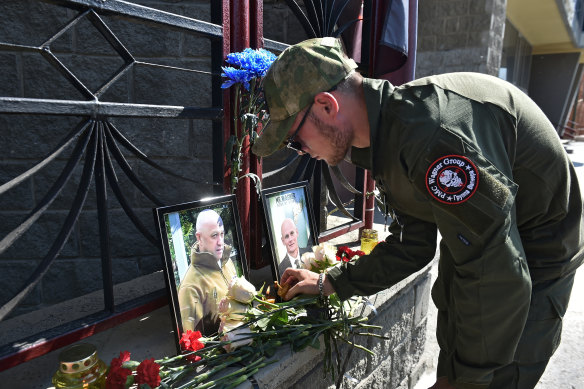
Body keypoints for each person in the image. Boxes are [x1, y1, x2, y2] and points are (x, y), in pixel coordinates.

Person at [251, 37, 584, 389]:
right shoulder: (387, 132)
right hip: (491, 249)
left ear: (326, 106)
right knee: (459, 328)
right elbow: (414, 243)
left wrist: (468, 379)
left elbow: (498, 273)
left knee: (499, 375)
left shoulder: (432, 140)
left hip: (535, 256)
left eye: (295, 139)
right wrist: (331, 282)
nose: (301, 152)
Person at [177, 209, 237, 335]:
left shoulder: (227, 262)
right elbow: (191, 342)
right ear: (199, 238)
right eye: (214, 235)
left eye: (222, 234)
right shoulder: (190, 286)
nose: (220, 242)